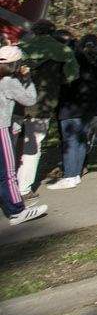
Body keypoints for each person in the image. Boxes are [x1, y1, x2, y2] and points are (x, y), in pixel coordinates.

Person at [16, 21, 78, 194]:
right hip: (43, 102)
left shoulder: (22, 47)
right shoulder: (64, 51)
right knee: (33, 146)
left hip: (16, 102)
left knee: (13, 143)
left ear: (34, 32)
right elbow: (72, 76)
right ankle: (23, 188)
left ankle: (8, 182)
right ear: (53, 32)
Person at [49, 34, 97, 190]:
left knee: (70, 141)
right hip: (89, 106)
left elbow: (67, 83)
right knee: (80, 139)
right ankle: (75, 174)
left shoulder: (74, 63)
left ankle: (70, 175)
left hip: (72, 106)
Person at [1, 46, 47, 225]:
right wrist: (27, 79)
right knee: (8, 173)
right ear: (16, 64)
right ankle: (17, 211)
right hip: (1, 128)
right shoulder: (8, 82)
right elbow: (29, 99)